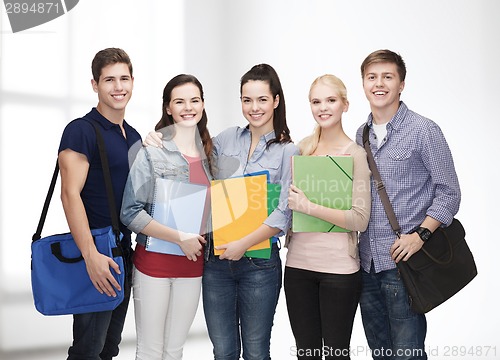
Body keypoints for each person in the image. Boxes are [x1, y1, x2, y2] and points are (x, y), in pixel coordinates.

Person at [355, 50, 461, 360]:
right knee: (380, 354)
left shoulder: (424, 130)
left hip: (404, 265)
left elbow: (449, 193)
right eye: (372, 77)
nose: (379, 84)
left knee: (408, 355)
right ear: (363, 84)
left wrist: (420, 235)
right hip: (367, 265)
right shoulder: (360, 135)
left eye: (387, 77)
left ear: (401, 84)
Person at [202, 63, 299, 360]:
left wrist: (243, 244)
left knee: (256, 352)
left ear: (276, 101)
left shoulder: (288, 151)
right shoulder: (226, 138)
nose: (253, 107)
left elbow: (284, 212)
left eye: (261, 99)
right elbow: (193, 156)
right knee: (223, 351)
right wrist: (160, 137)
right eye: (247, 100)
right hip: (217, 262)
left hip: (259, 264)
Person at [120, 74, 213, 359]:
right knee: (150, 351)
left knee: (174, 351)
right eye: (179, 101)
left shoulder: (210, 153)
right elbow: (130, 212)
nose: (188, 107)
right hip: (154, 266)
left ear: (202, 104)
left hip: (193, 267)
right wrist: (179, 238)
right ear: (168, 108)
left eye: (194, 100)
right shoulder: (152, 151)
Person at [58, 48, 142, 360]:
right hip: (96, 252)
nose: (118, 87)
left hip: (124, 254)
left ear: (133, 81)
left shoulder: (133, 136)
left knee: (108, 348)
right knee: (87, 350)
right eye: (109, 80)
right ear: (95, 85)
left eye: (124, 78)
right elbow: (69, 195)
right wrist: (90, 255)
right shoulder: (81, 130)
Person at [284, 74, 371, 360]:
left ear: (345, 105)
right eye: (316, 101)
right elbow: (284, 206)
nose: (323, 107)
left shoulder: (355, 154)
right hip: (297, 268)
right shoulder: (301, 150)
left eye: (331, 100)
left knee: (336, 354)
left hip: (339, 271)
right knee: (306, 354)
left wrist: (308, 206)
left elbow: (359, 219)